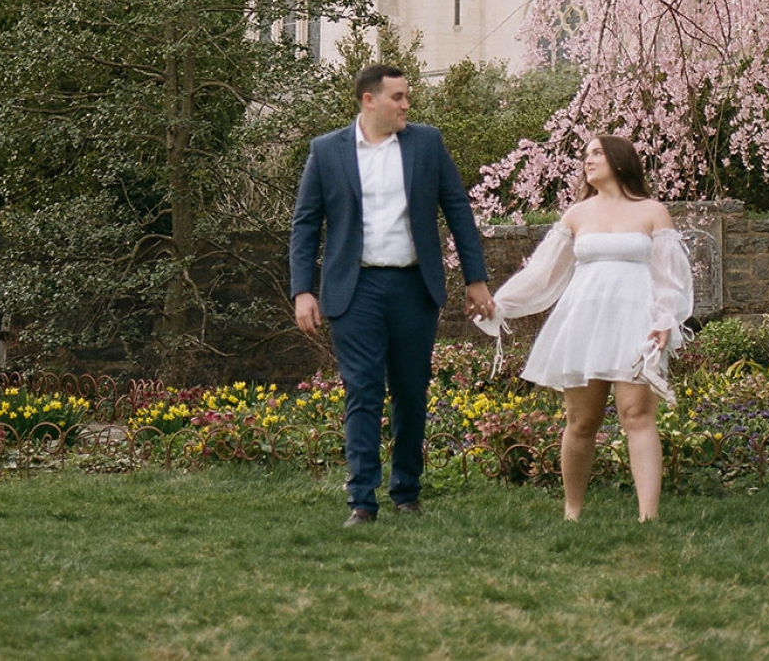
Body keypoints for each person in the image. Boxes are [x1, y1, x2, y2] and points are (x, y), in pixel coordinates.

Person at [290, 62, 495, 526]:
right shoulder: (326, 152)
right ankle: (361, 501)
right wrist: (302, 290)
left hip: (412, 287)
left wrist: (475, 277)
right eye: (398, 97)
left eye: (407, 97)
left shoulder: (427, 143)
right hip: (354, 289)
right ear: (370, 100)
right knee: (361, 389)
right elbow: (305, 224)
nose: (407, 105)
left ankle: (406, 491)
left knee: (410, 390)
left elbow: (458, 210)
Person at [475, 134, 692, 522]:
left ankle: (648, 516)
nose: (587, 160)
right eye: (585, 154)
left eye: (597, 153)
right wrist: (501, 304)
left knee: (637, 414)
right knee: (582, 421)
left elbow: (668, 276)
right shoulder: (576, 215)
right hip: (585, 323)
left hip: (636, 322)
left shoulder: (653, 212)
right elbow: (542, 272)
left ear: (620, 160)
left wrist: (664, 320)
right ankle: (572, 511)